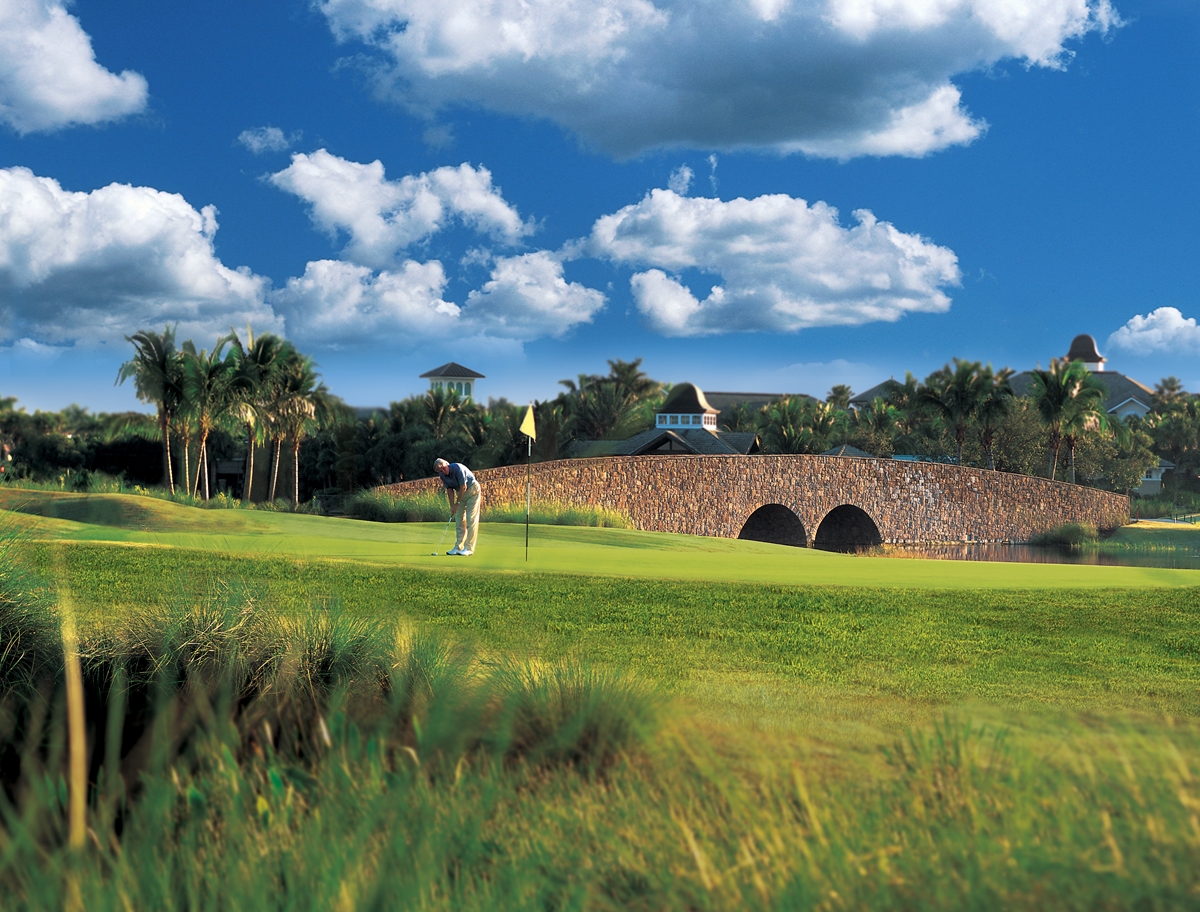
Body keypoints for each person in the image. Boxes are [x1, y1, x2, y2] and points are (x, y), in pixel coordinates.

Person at [434, 458, 482, 556]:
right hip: (461, 493)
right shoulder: (442, 475)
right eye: (440, 471)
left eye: (443, 468)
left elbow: (463, 486)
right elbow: (449, 490)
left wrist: (457, 503)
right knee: (459, 519)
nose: (443, 471)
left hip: (472, 490)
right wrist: (452, 506)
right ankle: (458, 547)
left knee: (470, 519)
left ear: (447, 464)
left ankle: (469, 548)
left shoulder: (457, 468)